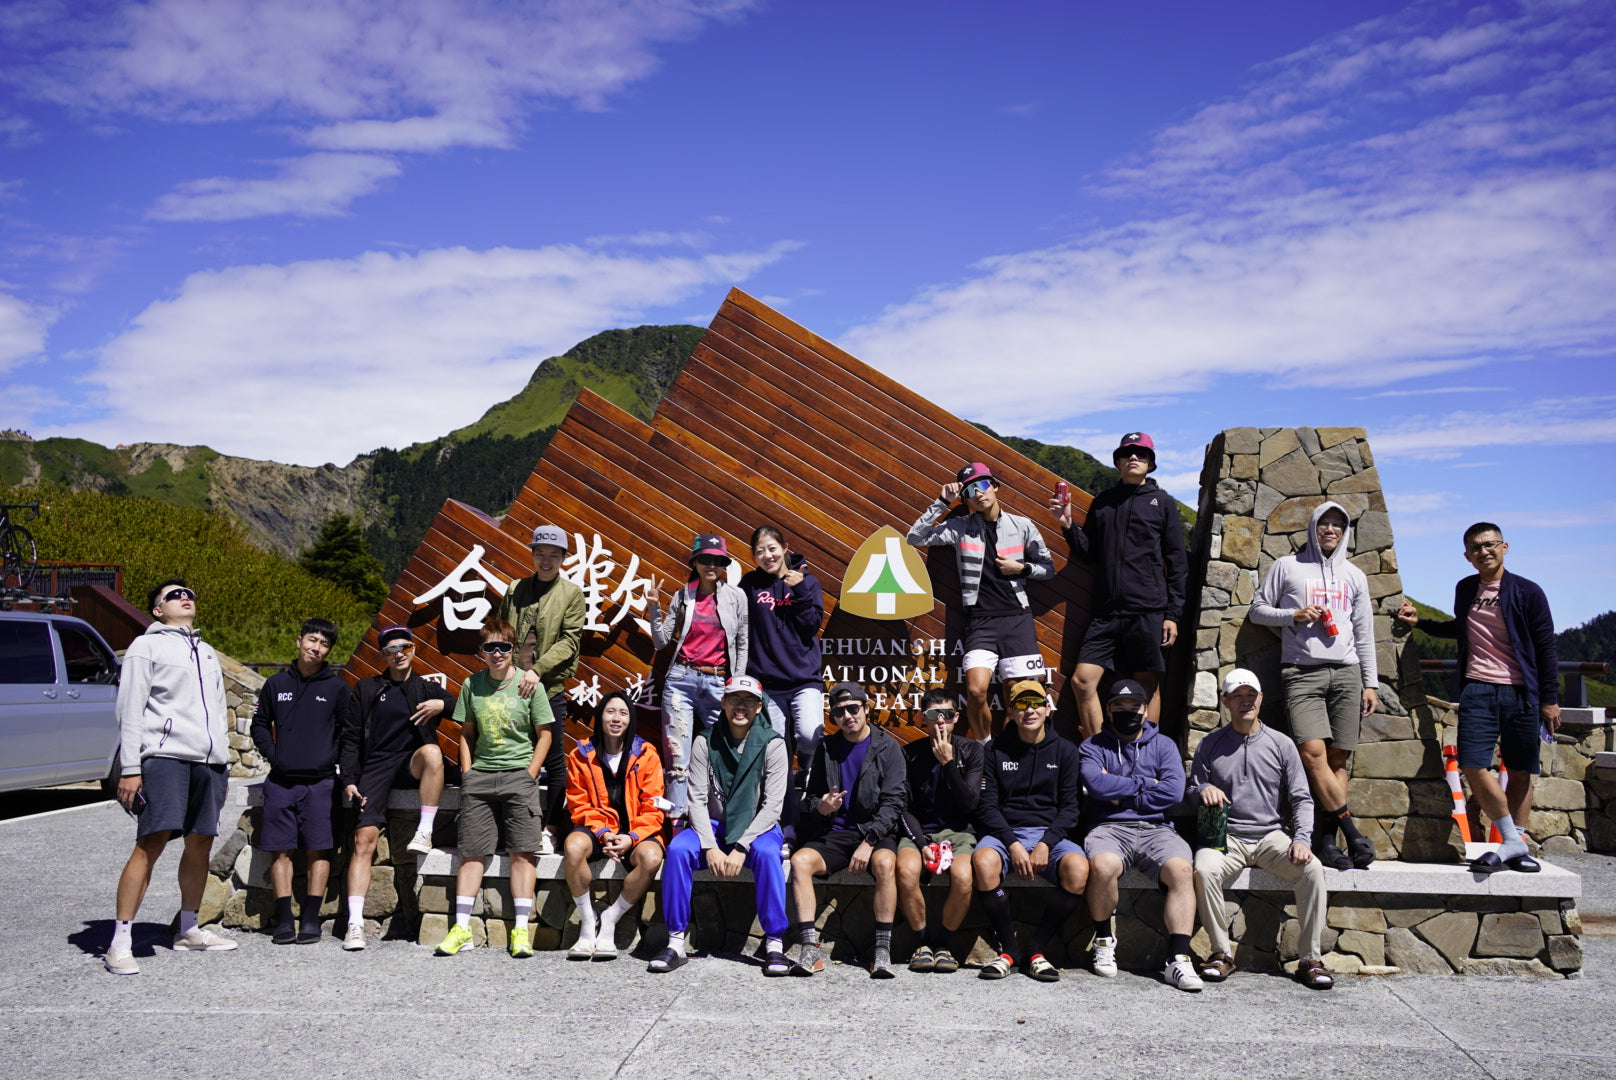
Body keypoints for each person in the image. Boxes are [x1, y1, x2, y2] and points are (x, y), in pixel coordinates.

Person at [1397, 523, 1560, 874]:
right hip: (1478, 688)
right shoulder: (1466, 587)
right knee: (1473, 765)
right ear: (1467, 557)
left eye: (1490, 545)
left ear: (1504, 547)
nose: (1484, 552)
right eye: (1475, 548)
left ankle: (1513, 845)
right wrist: (1421, 622)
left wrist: (1550, 698)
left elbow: (1546, 646)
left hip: (1522, 692)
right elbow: (1462, 627)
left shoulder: (1528, 592)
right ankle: (1512, 841)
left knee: (1520, 771)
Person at [106, 580, 236, 974]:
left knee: (201, 842)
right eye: (174, 595)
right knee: (151, 841)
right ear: (158, 610)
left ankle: (188, 928)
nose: (186, 597)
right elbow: (129, 710)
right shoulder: (146, 647)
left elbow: (218, 710)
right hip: (165, 757)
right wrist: (130, 768)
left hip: (208, 762)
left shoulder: (208, 652)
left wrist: (224, 761)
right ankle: (120, 941)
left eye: (190, 593)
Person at [1250, 501, 1380, 870]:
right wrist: (1292, 615)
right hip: (1301, 672)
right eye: (1325, 523)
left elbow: (1364, 632)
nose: (1331, 530)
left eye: (1339, 524)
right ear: (1313, 527)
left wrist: (1370, 683)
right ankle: (1352, 833)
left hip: (1347, 673)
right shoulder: (1287, 567)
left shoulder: (1354, 575)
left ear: (1345, 532)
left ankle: (1328, 842)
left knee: (1338, 758)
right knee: (1311, 754)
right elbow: (1258, 610)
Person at [1189, 669, 1331, 990]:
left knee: (1313, 869)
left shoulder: (1281, 744)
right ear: (1225, 701)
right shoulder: (1210, 744)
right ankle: (1221, 953)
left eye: (1250, 695)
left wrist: (1302, 839)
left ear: (1261, 699)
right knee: (1204, 869)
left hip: (1271, 836)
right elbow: (1192, 788)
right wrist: (1202, 790)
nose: (1245, 702)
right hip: (1225, 834)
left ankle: (1310, 958)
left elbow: (1301, 799)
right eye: (1237, 696)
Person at [1049, 433, 1187, 738]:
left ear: (1150, 463)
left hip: (1148, 610)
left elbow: (1177, 562)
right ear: (1118, 461)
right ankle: (1101, 754)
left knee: (1148, 689)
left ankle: (1146, 755)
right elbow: (1088, 553)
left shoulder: (1162, 502)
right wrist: (1067, 523)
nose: (1133, 458)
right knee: (1082, 681)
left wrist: (1172, 615)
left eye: (1140, 454)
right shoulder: (1103, 502)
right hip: (1106, 613)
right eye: (1127, 454)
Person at [651, 676, 790, 976]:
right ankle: (675, 941)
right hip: (712, 827)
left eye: (749, 701)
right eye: (735, 699)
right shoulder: (705, 740)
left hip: (758, 828)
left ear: (758, 707)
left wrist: (742, 846)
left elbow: (772, 807)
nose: (741, 706)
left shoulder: (773, 744)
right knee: (677, 850)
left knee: (767, 856)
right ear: (723, 703)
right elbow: (697, 800)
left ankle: (775, 943)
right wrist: (710, 847)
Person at [908, 462, 1054, 740]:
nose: (978, 492)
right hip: (980, 622)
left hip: (1016, 617)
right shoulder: (960, 527)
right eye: (970, 490)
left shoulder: (1022, 525)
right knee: (975, 690)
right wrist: (942, 502)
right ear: (966, 499)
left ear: (995, 487)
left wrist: (1021, 569)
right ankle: (986, 748)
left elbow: (1048, 568)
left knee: (1021, 693)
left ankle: (1016, 755)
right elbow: (915, 537)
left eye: (983, 485)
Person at [434, 619, 553, 958]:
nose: (497, 653)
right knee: (471, 852)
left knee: (522, 852)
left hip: (519, 773)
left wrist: (531, 773)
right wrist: (468, 773)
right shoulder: (472, 684)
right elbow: (466, 733)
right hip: (480, 776)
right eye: (490, 647)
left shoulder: (530, 686)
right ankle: (460, 928)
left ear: (513, 650)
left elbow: (545, 733)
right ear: (480, 652)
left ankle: (519, 931)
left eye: (503, 646)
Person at [1079, 680, 1201, 991]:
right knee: (1103, 866)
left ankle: (1178, 960)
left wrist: (1119, 790)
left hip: (1156, 829)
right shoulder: (1092, 746)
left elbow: (1173, 791)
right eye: (1120, 708)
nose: (1127, 713)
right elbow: (1095, 785)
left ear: (1146, 710)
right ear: (1108, 710)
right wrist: (1148, 783)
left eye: (1134, 707)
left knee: (1181, 870)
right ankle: (1104, 942)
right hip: (1108, 827)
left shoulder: (1164, 746)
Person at [337, 625, 453, 951]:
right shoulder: (367, 688)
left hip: (410, 763)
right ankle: (355, 924)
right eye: (391, 650)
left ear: (414, 649)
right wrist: (348, 778)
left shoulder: (426, 688)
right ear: (383, 656)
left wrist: (442, 706)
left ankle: (424, 830)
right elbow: (350, 737)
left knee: (433, 752)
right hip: (375, 766)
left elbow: (464, 708)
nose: (399, 653)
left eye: (404, 647)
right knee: (364, 841)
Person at [972, 679, 1088, 982]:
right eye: (1021, 704)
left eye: (1036, 703)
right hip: (1005, 833)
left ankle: (1036, 950)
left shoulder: (1065, 751)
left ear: (1047, 708)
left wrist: (1046, 844)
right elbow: (988, 806)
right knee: (983, 863)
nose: (1030, 710)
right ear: (1011, 711)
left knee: (1077, 869)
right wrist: (1012, 844)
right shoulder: (995, 749)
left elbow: (1071, 808)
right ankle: (1009, 951)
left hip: (1049, 835)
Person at [791, 683, 907, 978]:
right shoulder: (827, 748)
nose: (847, 716)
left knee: (884, 863)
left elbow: (895, 803)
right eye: (839, 712)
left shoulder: (887, 746)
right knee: (799, 862)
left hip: (874, 831)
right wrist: (822, 807)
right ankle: (809, 950)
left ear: (867, 709)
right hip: (836, 833)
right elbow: (814, 796)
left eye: (853, 708)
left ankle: (882, 951)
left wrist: (869, 841)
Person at [250, 618, 351, 945]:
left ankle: (310, 920)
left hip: (321, 783)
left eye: (323, 644)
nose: (316, 648)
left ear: (329, 651)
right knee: (281, 852)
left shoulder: (336, 688)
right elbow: (260, 725)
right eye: (312, 640)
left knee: (318, 851)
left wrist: (330, 758)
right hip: (280, 781)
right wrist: (274, 755)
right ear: (299, 640)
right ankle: (283, 920)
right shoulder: (275, 684)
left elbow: (348, 732)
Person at [496, 523, 587, 853]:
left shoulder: (571, 594)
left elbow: (569, 641)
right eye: (540, 554)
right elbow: (502, 631)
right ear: (532, 555)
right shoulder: (515, 589)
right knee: (513, 759)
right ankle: (516, 828)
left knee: (553, 761)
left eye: (553, 555)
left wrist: (536, 670)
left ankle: (549, 828)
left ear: (563, 558)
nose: (546, 560)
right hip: (510, 691)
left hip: (547, 690)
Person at [647, 532, 750, 819]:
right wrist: (654, 607)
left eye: (717, 561)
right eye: (705, 559)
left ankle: (724, 820)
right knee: (678, 756)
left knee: (726, 752)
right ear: (695, 562)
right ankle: (678, 823)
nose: (711, 566)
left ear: (724, 565)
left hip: (719, 682)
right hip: (681, 681)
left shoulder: (736, 597)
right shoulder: (683, 596)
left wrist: (737, 686)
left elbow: (742, 642)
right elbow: (661, 641)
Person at [563, 689, 666, 960]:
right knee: (573, 847)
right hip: (598, 829)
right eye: (610, 712)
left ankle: (609, 919)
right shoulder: (581, 754)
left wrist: (631, 837)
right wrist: (604, 833)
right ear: (600, 717)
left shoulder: (646, 754)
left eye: (623, 713)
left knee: (653, 857)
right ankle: (587, 923)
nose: (616, 718)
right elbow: (578, 804)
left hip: (636, 831)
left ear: (631, 719)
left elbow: (654, 807)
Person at [897, 687, 984, 974]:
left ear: (956, 717)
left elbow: (970, 804)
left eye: (946, 715)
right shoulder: (910, 753)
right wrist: (920, 842)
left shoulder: (971, 750)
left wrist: (948, 764)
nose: (940, 722)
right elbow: (903, 807)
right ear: (924, 718)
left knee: (962, 876)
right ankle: (923, 944)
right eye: (933, 715)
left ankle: (943, 944)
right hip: (922, 831)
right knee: (906, 871)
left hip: (959, 832)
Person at [740, 525, 826, 771]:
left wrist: (798, 590)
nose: (767, 556)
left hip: (804, 680)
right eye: (760, 552)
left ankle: (809, 776)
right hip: (767, 685)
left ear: (785, 549)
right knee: (775, 751)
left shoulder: (807, 582)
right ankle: (783, 798)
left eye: (772, 548)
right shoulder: (750, 584)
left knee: (811, 736)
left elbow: (810, 627)